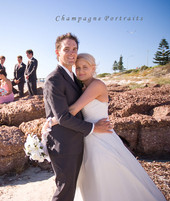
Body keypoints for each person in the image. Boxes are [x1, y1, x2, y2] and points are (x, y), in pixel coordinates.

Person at [43, 53, 166, 201]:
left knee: (106, 177)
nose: (81, 71)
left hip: (100, 136)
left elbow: (74, 109)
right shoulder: (81, 86)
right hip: (89, 135)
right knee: (92, 178)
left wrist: (51, 121)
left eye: (85, 67)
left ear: (93, 68)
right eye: (78, 68)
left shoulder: (96, 85)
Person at [43, 33, 112, 201]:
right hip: (63, 143)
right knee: (65, 189)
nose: (72, 53)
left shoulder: (74, 77)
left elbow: (73, 109)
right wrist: (94, 128)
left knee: (73, 187)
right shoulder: (54, 79)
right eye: (66, 49)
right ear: (57, 52)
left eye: (75, 49)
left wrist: (51, 120)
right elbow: (64, 117)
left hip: (77, 140)